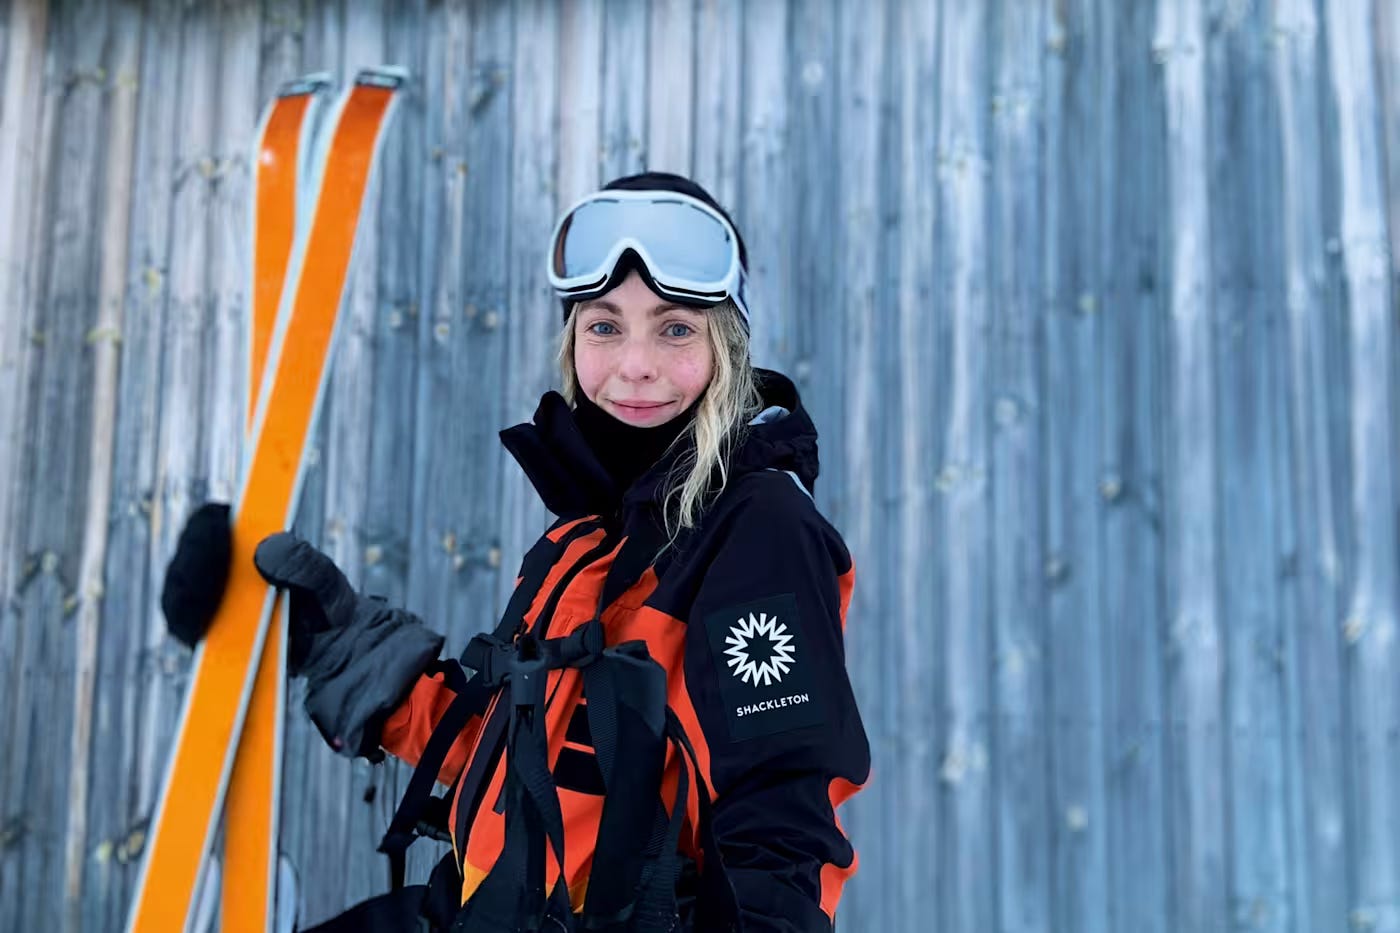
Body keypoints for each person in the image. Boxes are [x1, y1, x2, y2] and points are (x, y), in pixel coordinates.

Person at [162, 172, 870, 932]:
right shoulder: (589, 533)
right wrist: (341, 646)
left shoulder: (756, 530)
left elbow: (782, 821)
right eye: (605, 327)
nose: (636, 364)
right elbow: (528, 764)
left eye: (674, 329)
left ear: (725, 345)